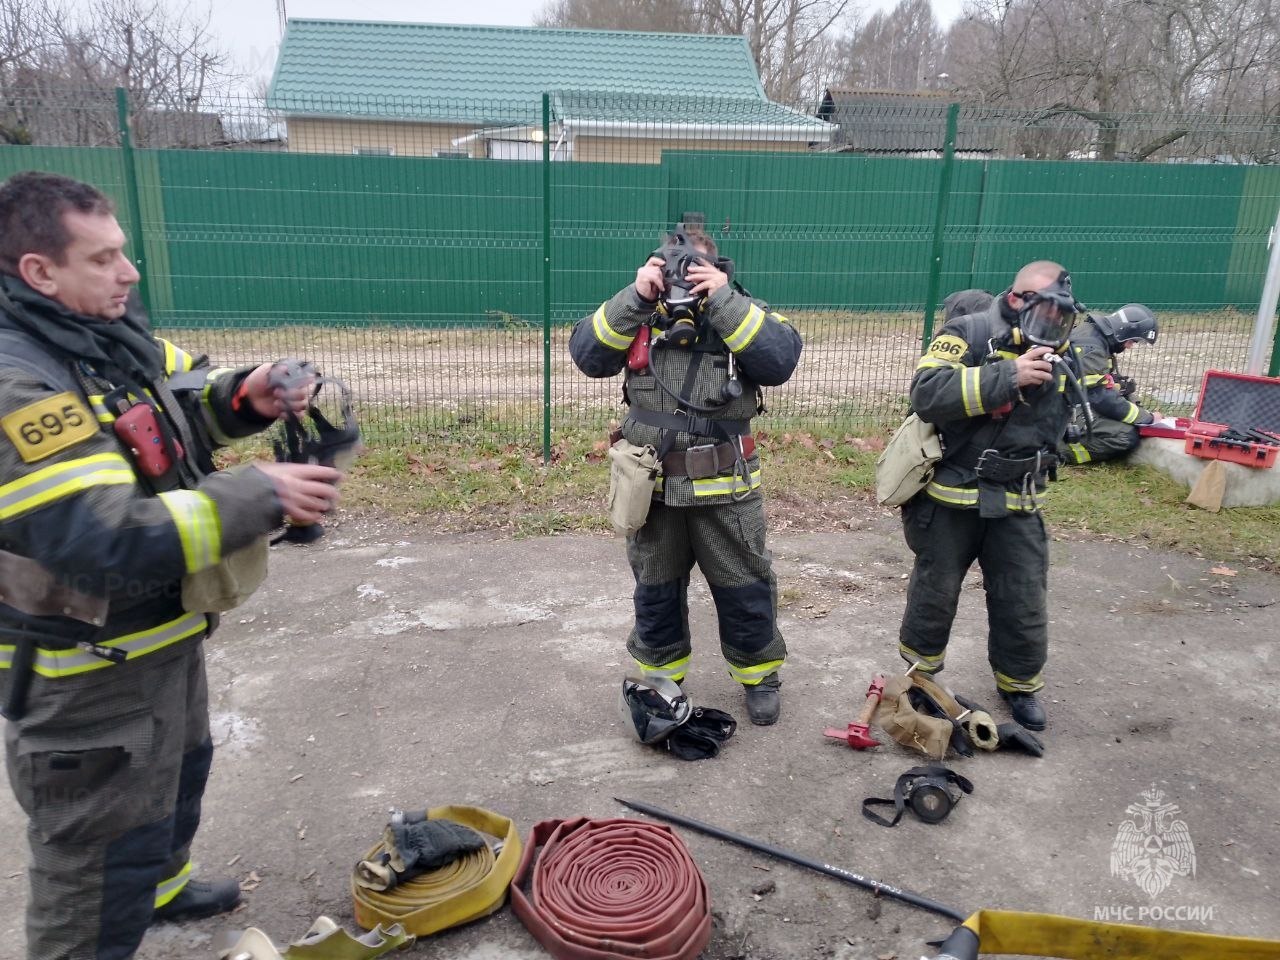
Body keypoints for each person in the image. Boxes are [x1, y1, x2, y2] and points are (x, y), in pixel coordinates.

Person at [0, 171, 343, 960]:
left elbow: (170, 407)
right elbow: (100, 536)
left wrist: (248, 396)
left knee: (179, 773)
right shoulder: (20, 381)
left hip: (157, 639)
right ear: (39, 272)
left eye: (125, 252)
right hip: (82, 674)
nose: (131, 273)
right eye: (105, 259)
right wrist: (257, 494)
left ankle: (160, 887)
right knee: (91, 864)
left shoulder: (94, 335)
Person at [569, 222, 802, 725]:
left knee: (744, 585)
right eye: (673, 266)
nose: (682, 277)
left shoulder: (742, 309)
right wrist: (635, 295)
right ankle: (661, 673)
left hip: (726, 487)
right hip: (652, 488)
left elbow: (781, 359)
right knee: (655, 585)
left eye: (693, 268)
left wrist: (721, 299)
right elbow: (587, 354)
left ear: (718, 269)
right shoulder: (639, 313)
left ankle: (759, 674)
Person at [897, 261, 1084, 732]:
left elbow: (1073, 414)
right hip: (952, 495)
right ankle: (922, 680)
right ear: (1017, 298)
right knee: (933, 596)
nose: (1051, 324)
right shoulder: (969, 331)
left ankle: (1019, 686)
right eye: (1040, 308)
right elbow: (926, 392)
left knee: (1021, 598)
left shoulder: (1062, 347)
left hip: (1018, 500)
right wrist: (1007, 375)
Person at [1057, 304, 1161, 465]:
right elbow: (1100, 398)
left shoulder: (1093, 335)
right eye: (1132, 341)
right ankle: (1059, 452)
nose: (1129, 346)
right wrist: (1146, 418)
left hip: (1065, 403)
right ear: (1124, 330)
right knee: (1126, 436)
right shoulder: (1092, 347)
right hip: (1063, 412)